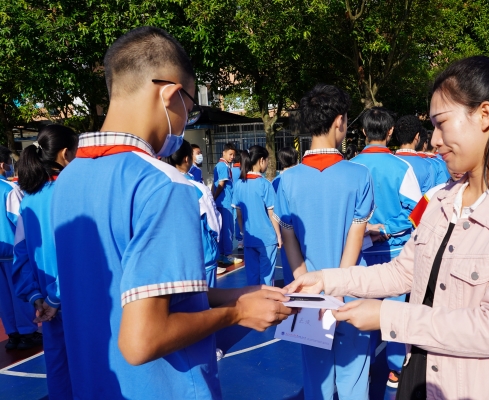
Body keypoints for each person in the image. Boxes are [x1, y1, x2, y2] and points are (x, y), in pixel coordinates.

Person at [287, 56, 489, 400]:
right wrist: (326, 280)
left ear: (484, 115)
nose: (434, 140)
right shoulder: (441, 199)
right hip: (424, 375)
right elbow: (401, 272)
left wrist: (387, 315)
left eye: (441, 123)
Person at [51, 27, 294, 399]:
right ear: (169, 94)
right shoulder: (164, 186)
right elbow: (143, 340)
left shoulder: (69, 179)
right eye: (189, 109)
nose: (185, 123)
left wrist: (240, 295)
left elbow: (143, 296)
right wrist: (237, 313)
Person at [274, 84, 374, 400]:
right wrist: (338, 288)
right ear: (339, 121)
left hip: (309, 296)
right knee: (354, 379)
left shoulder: (286, 180)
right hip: (351, 290)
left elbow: (288, 238)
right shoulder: (359, 175)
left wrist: (305, 286)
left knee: (316, 382)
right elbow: (355, 236)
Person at [352, 107, 422, 388]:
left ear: (363, 131)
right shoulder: (402, 167)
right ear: (390, 131)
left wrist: (368, 229)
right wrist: (387, 228)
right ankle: (395, 370)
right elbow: (417, 211)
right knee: (394, 313)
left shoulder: (351, 167)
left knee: (362, 310)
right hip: (395, 252)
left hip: (361, 253)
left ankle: (362, 369)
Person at [11, 125, 78, 399]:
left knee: (59, 370)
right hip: (79, 304)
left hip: (48, 308)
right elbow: (79, 255)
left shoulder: (28, 200)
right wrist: (54, 297)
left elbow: (21, 255)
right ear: (65, 153)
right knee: (92, 371)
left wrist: (38, 298)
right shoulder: (74, 193)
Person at [162, 139, 223, 286]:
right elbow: (214, 224)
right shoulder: (198, 188)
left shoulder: (160, 187)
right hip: (201, 256)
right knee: (208, 298)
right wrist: (214, 242)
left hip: (171, 260)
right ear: (186, 158)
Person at [0, 145, 40, 351]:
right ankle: (27, 332)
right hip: (12, 252)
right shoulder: (8, 189)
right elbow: (20, 220)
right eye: (8, 162)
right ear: (2, 164)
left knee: (3, 297)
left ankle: (12, 333)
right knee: (19, 291)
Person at [232, 146, 281, 286]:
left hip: (249, 238)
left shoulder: (239, 184)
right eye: (267, 160)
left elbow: (239, 214)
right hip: (267, 238)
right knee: (267, 277)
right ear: (261, 161)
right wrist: (278, 235)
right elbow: (272, 213)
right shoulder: (265, 184)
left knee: (252, 276)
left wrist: (243, 232)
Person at [271, 146, 298, 285]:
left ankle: (290, 287)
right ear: (296, 159)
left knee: (288, 259)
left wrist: (277, 234)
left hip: (284, 226)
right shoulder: (301, 178)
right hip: (301, 225)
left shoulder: (276, 181)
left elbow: (273, 210)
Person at [212, 142, 242, 265]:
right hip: (225, 202)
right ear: (223, 153)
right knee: (228, 229)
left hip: (221, 202)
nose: (232, 157)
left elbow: (215, 184)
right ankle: (228, 254)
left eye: (233, 155)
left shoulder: (220, 165)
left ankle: (222, 254)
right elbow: (221, 184)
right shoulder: (223, 166)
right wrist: (214, 197)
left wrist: (213, 198)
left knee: (222, 229)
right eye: (230, 154)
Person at [394, 115, 436, 194]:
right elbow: (427, 196)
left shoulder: (386, 163)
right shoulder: (427, 165)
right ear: (417, 136)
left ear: (397, 137)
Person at [231, 153, 243, 250]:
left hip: (233, 198)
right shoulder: (242, 171)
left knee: (236, 219)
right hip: (242, 197)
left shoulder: (230, 170)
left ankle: (239, 241)